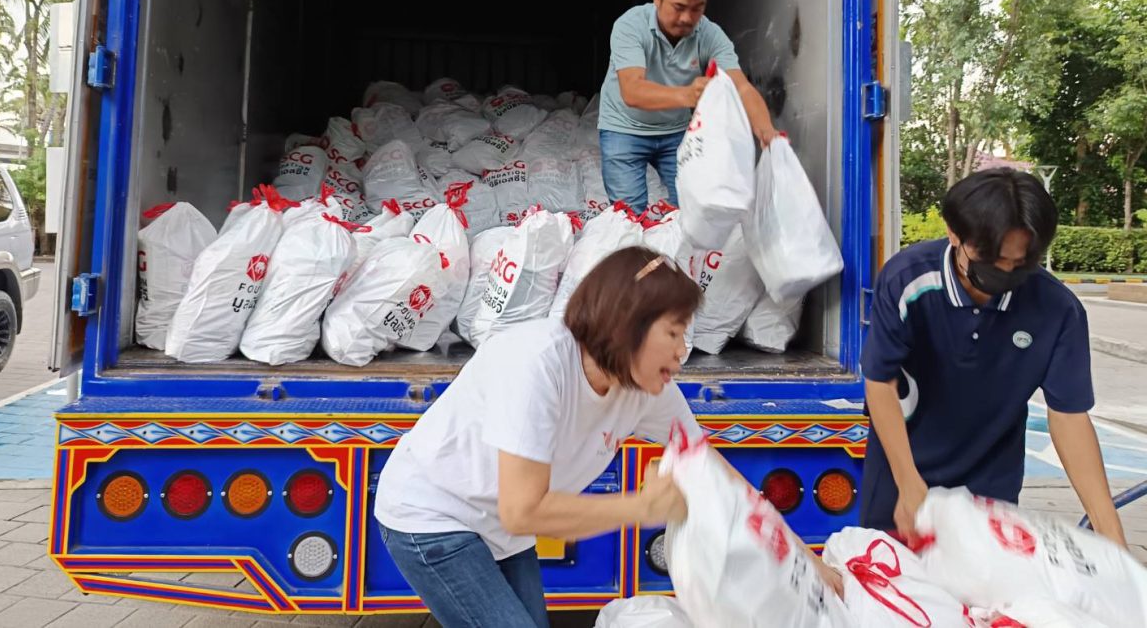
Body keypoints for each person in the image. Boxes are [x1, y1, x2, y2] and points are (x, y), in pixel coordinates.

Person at [374, 247, 839, 627]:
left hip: (499, 529)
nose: (683, 352)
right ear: (628, 324)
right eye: (674, 333)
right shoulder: (536, 364)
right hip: (432, 515)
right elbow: (523, 510)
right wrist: (643, 507)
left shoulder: (648, 388)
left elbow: (714, 470)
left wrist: (804, 560)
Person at [861, 167, 1127, 547]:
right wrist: (908, 483)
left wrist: (1109, 531)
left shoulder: (1056, 310)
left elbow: (1068, 416)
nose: (1005, 271)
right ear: (954, 233)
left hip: (990, 481)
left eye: (1019, 264)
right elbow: (880, 382)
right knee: (889, 586)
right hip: (901, 469)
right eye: (993, 259)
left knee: (983, 600)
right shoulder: (907, 280)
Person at [597, 0, 778, 213]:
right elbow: (632, 90)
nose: (687, 18)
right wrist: (688, 95)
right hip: (623, 128)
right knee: (629, 217)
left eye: (697, 9)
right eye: (679, 8)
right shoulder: (630, 26)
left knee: (693, 210)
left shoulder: (709, 34)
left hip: (676, 133)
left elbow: (742, 87)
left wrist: (766, 131)